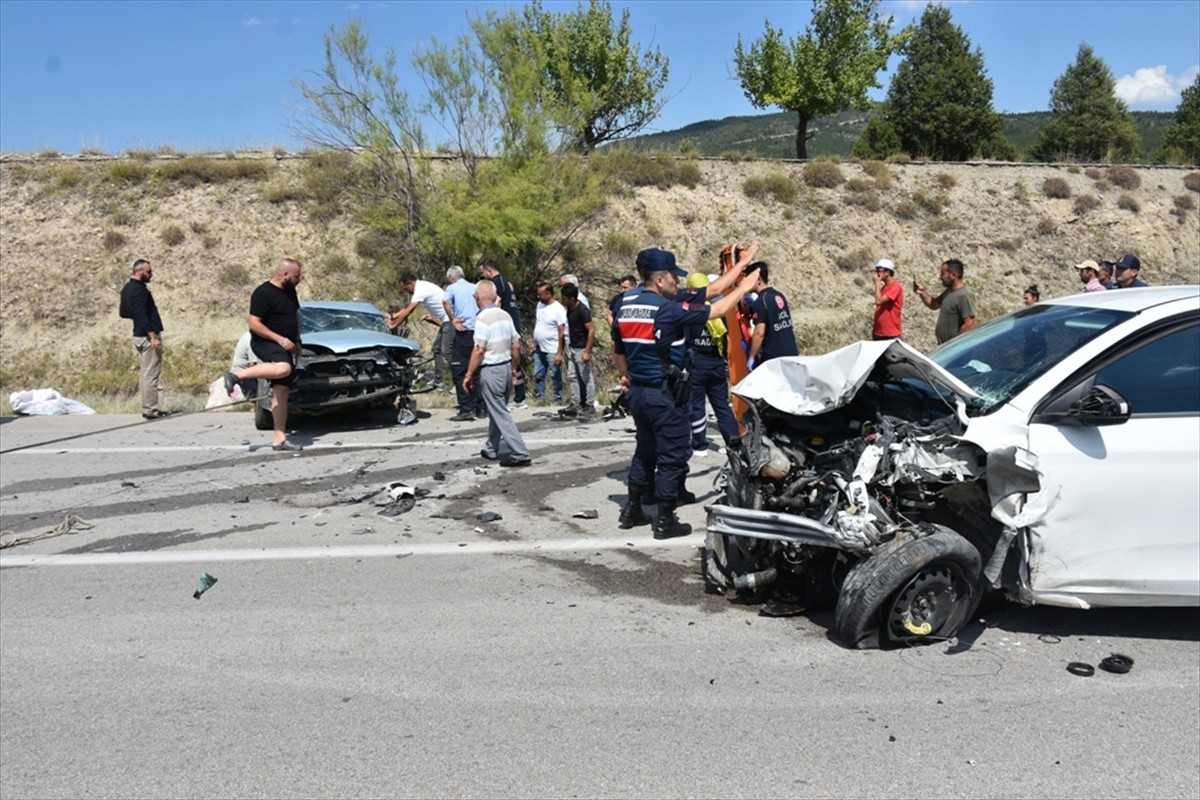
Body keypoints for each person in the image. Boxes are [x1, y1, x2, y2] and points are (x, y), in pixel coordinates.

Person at [612, 244, 760, 540]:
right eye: (674, 278)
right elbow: (717, 308)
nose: (678, 282)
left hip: (638, 393)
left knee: (644, 451)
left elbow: (713, 289)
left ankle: (632, 509)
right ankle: (666, 520)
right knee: (673, 454)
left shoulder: (625, 302)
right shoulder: (667, 309)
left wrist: (739, 265)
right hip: (663, 393)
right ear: (660, 280)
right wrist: (744, 287)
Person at [223, 258, 304, 451]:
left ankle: (279, 439)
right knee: (283, 368)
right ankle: (235, 375)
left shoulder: (290, 290)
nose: (299, 279)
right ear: (284, 274)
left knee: (281, 393)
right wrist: (279, 339)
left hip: (287, 345)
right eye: (296, 276)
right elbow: (254, 324)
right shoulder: (263, 293)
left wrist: (298, 340)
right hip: (266, 342)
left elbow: (295, 316)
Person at [463, 281, 532, 467]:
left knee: (500, 412)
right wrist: (514, 367)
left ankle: (520, 452)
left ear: (477, 298)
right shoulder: (505, 316)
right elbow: (516, 345)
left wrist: (469, 375)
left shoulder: (482, 319)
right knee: (497, 409)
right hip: (506, 367)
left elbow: (478, 350)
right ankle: (491, 447)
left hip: (492, 370)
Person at [682, 272, 737, 455]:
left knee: (697, 405)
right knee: (722, 405)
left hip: (697, 365)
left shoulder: (689, 311)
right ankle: (733, 443)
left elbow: (685, 339)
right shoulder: (717, 311)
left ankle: (700, 445)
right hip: (717, 364)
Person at [119, 258, 167, 419]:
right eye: (148, 272)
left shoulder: (127, 288)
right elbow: (141, 314)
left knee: (146, 373)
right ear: (139, 272)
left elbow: (124, 312)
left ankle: (149, 407)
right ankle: (151, 409)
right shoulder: (139, 290)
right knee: (151, 375)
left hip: (138, 334)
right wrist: (153, 336)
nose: (150, 275)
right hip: (147, 336)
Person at [388, 273, 451, 388]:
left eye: (405, 288)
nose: (406, 291)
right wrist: (392, 317)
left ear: (410, 283)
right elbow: (406, 309)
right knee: (437, 349)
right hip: (447, 321)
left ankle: (464, 376)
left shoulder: (421, 289)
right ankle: (439, 380)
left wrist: (393, 325)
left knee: (446, 351)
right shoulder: (423, 287)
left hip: (449, 321)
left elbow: (409, 311)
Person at [479, 259, 526, 408]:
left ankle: (508, 397)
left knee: (503, 361)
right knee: (514, 362)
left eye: (483, 273)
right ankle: (519, 397)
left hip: (503, 326)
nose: (483, 276)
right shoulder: (506, 281)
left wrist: (489, 316)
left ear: (489, 271)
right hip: (512, 324)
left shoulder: (497, 283)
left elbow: (497, 301)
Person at [443, 265, 482, 421]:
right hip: (478, 332)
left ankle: (466, 409)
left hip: (464, 332)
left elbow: (445, 301)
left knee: (459, 371)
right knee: (477, 371)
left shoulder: (452, 288)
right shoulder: (475, 287)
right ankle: (480, 407)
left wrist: (452, 319)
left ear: (452, 277)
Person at [913, 258, 977, 345]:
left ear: (953, 275)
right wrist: (922, 292)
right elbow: (934, 304)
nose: (940, 277)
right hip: (945, 347)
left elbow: (969, 324)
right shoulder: (949, 292)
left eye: (942, 274)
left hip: (955, 349)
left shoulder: (964, 295)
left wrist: (954, 345)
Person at [746, 262, 798, 367]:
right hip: (792, 353)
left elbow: (759, 334)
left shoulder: (761, 301)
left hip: (775, 359)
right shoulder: (778, 295)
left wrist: (751, 357)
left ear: (758, 279)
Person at [559, 283, 595, 417]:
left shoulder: (583, 311)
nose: (563, 301)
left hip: (581, 348)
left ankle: (590, 405)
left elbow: (591, 331)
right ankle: (576, 403)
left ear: (572, 299)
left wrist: (587, 351)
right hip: (572, 348)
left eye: (564, 298)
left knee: (586, 377)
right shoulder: (570, 308)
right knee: (573, 376)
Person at [533, 282, 566, 405]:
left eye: (540, 294)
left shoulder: (558, 309)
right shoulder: (540, 306)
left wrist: (559, 352)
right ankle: (540, 399)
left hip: (552, 349)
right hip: (539, 347)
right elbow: (538, 324)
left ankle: (557, 399)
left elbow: (561, 331)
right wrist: (533, 342)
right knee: (538, 373)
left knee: (555, 375)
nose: (538, 297)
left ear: (548, 294)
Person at [871, 258, 904, 340]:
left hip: (890, 334)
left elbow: (879, 301)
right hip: (879, 332)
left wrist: (877, 283)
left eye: (879, 270)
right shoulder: (884, 288)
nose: (877, 273)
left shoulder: (895, 286)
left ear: (887, 272)